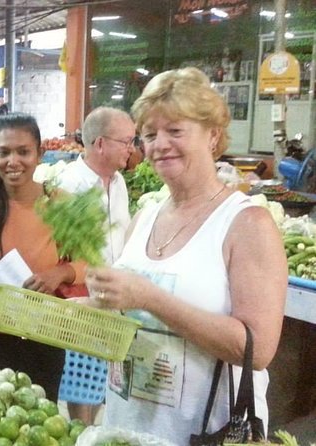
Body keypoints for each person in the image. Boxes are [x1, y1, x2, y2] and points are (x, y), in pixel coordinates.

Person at [86, 67, 287, 444]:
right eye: (149, 134)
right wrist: (95, 303)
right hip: (128, 425)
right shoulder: (145, 217)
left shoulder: (246, 223)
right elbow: (131, 318)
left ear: (213, 136)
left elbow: (257, 350)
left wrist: (149, 297)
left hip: (204, 432)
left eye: (175, 131)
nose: (159, 144)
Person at [0, 113, 87, 400]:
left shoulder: (60, 203)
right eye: (3, 152)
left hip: (41, 335)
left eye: (23, 152)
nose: (13, 161)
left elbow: (88, 264)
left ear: (40, 154)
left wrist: (59, 274)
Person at [55, 107, 136, 425]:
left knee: (104, 382)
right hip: (82, 297)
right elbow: (61, 251)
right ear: (100, 143)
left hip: (115, 297)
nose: (132, 147)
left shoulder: (119, 184)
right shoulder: (69, 185)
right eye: (126, 140)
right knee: (81, 381)